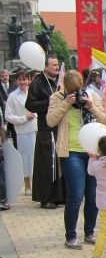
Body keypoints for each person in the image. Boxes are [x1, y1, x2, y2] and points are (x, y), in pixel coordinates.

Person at [47, 70, 106, 249]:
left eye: (78, 88)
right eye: (71, 90)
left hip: (92, 151)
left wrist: (91, 106)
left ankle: (89, 232)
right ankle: (71, 236)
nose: (76, 93)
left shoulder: (91, 95)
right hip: (71, 151)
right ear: (65, 86)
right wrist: (65, 103)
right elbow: (50, 121)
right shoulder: (57, 97)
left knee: (93, 195)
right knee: (75, 195)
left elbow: (105, 120)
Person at [25, 54, 65, 209]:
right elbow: (30, 105)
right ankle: (46, 197)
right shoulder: (38, 82)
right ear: (45, 67)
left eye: (57, 65)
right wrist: (50, 101)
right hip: (46, 128)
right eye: (53, 65)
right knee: (47, 163)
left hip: (60, 126)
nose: (56, 67)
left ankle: (60, 196)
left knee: (60, 162)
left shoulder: (60, 81)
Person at [5, 70, 37, 195]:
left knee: (36, 158)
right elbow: (8, 116)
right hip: (23, 131)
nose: (22, 82)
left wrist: (35, 115)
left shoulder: (33, 93)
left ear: (29, 80)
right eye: (20, 79)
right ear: (16, 81)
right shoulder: (13, 96)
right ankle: (27, 183)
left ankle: (37, 183)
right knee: (25, 158)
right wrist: (23, 118)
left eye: (25, 79)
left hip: (36, 129)